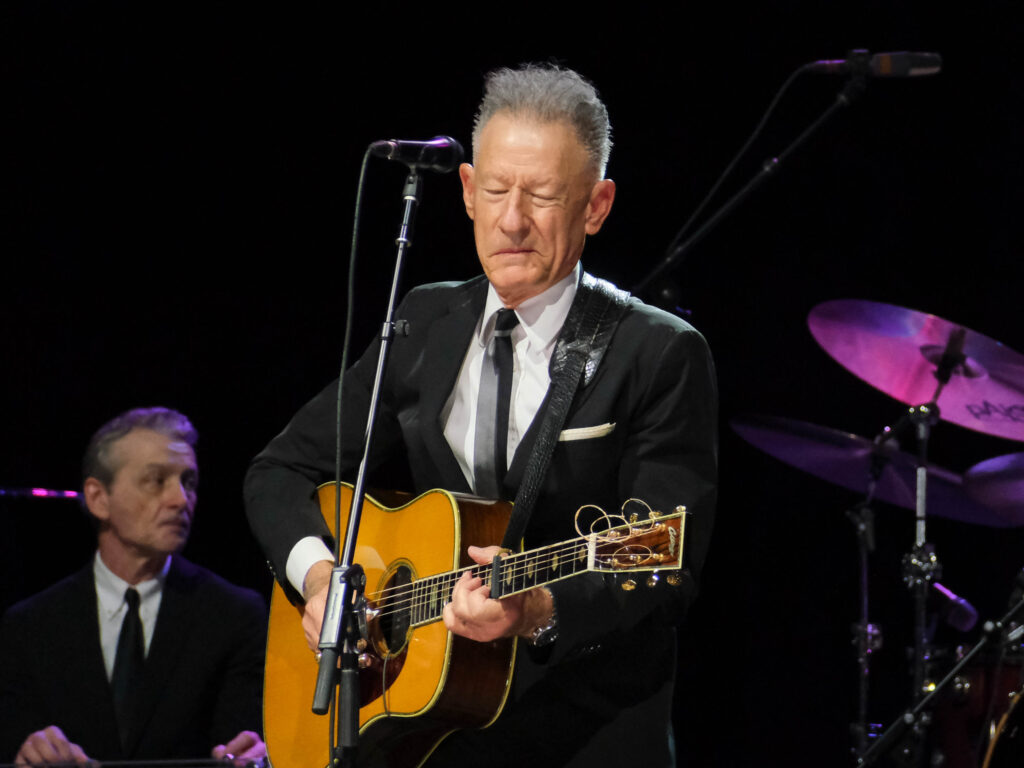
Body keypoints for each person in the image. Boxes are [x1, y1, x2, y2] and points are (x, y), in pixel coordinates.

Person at [244, 63, 717, 767]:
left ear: (596, 205)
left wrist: (539, 608)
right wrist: (321, 581)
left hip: (589, 732)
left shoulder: (657, 352)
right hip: (432, 733)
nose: (513, 220)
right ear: (466, 191)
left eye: (544, 196)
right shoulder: (425, 321)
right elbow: (278, 471)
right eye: (496, 190)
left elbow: (662, 558)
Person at [0, 407, 268, 765]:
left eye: (188, 482)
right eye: (156, 480)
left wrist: (253, 755)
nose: (179, 499)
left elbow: (239, 744)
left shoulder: (234, 616)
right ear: (98, 498)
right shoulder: (29, 626)